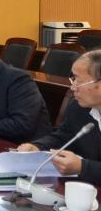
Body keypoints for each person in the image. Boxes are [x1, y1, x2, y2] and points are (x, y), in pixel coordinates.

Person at [17, 51, 101, 183]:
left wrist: (82, 167)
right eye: (73, 79)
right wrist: (38, 147)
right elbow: (64, 136)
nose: (73, 88)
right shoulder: (78, 108)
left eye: (78, 81)